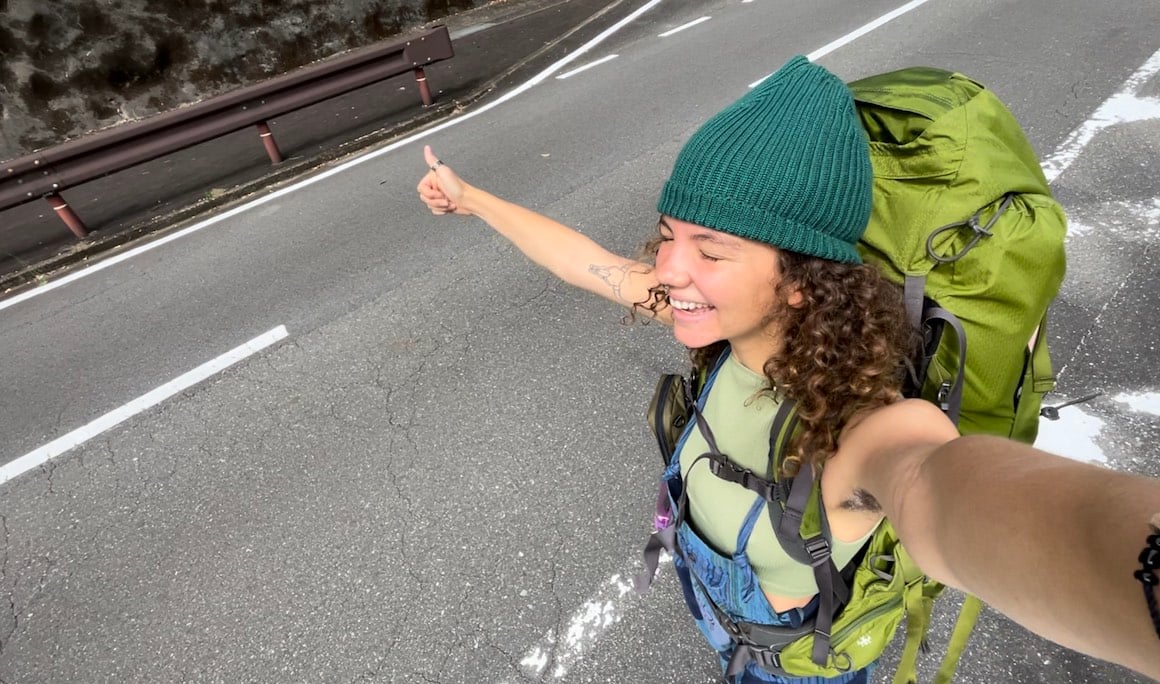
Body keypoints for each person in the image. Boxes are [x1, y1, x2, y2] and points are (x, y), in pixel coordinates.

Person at [416, 56, 1160, 682]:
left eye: (712, 250)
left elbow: (961, 498)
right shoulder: (723, 322)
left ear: (802, 279)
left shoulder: (865, 428)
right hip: (732, 630)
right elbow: (591, 265)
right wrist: (472, 198)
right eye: (670, 236)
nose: (668, 270)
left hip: (802, 666)